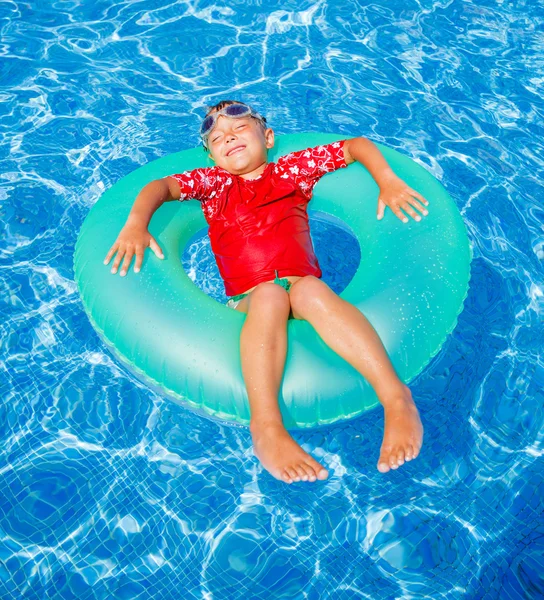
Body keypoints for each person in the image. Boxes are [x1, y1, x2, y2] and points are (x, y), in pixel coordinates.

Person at [104, 100, 428, 484]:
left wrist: (387, 181)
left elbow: (356, 145)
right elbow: (160, 187)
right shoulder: (212, 184)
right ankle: (267, 427)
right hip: (251, 299)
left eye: (239, 129)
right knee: (272, 296)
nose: (230, 138)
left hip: (301, 285)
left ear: (268, 137)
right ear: (211, 156)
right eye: (219, 138)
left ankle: (396, 398)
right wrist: (136, 225)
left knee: (311, 291)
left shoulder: (292, 172)